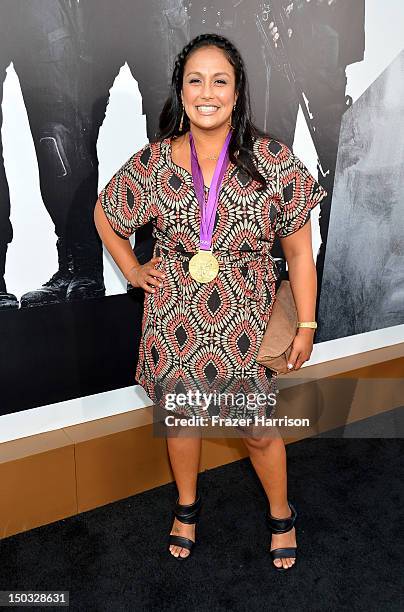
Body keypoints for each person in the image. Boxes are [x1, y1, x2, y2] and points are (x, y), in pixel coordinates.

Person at [94, 33, 327, 571]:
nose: (207, 92)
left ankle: (280, 513)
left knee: (258, 429)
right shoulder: (154, 163)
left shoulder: (272, 161)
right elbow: (106, 213)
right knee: (183, 421)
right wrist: (132, 269)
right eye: (195, 80)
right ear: (181, 89)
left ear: (237, 91)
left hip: (244, 323)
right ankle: (186, 509)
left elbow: (298, 253)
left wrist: (307, 323)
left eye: (219, 80)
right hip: (173, 317)